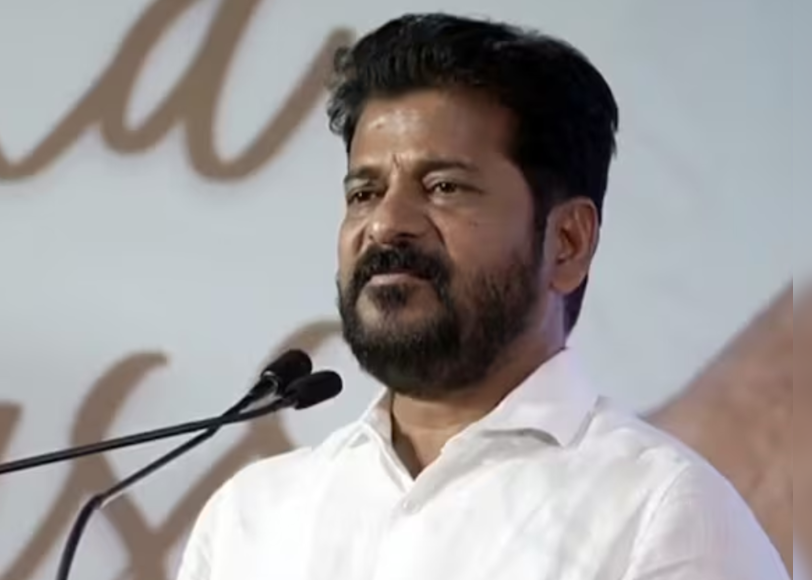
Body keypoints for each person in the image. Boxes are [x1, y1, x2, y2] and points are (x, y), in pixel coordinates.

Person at [174, 12, 788, 580]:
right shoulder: (251, 519)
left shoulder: (662, 516)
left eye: (443, 186)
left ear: (567, 242)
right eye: (364, 193)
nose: (386, 224)